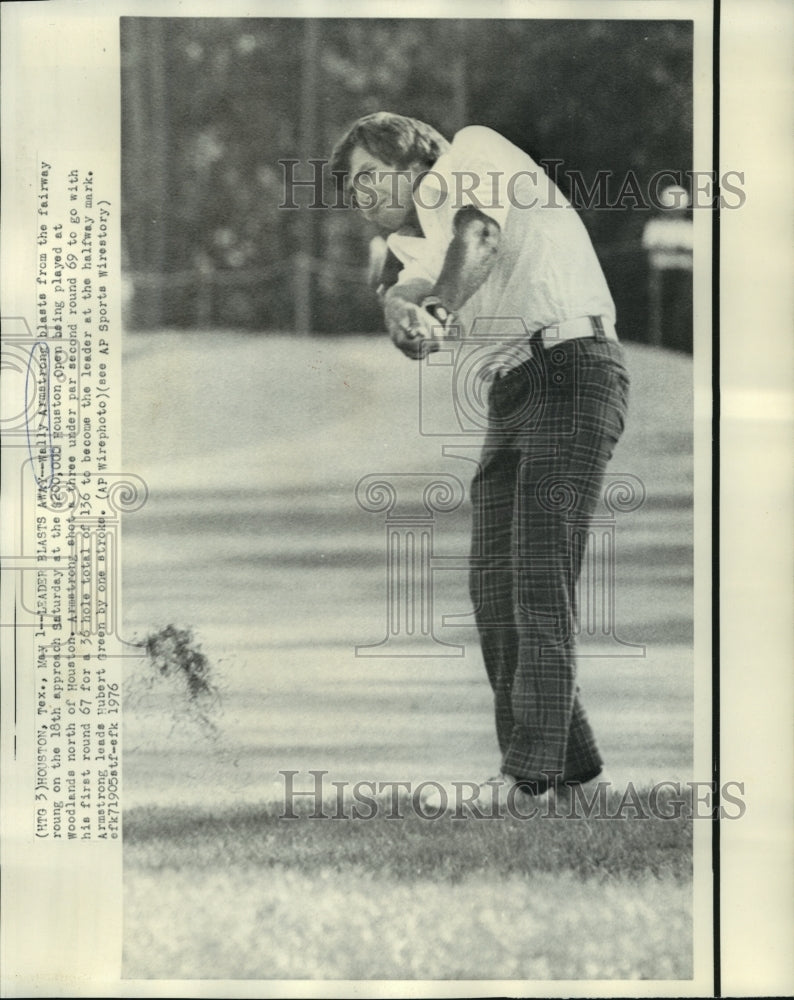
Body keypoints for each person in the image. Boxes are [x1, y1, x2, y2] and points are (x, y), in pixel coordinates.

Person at [330, 113, 630, 806]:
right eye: (352, 189)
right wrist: (401, 309)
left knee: (537, 575)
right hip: (516, 389)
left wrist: (432, 304)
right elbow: (414, 282)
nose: (362, 195)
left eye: (370, 176)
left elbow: (481, 237)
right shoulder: (422, 235)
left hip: (576, 367)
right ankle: (574, 775)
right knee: (495, 587)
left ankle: (532, 782)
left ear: (410, 156)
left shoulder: (473, 150)